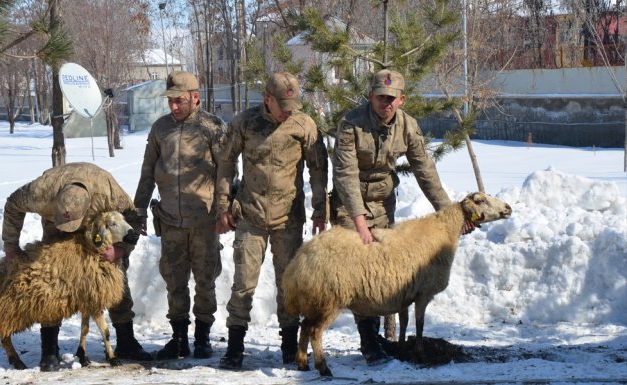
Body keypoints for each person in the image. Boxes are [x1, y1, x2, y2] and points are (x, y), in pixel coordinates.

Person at [331, 69, 473, 363]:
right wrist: (360, 223)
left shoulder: (407, 125)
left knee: (381, 270)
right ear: (370, 96)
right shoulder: (351, 124)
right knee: (359, 270)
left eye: (392, 98)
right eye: (381, 97)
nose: (386, 103)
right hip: (349, 205)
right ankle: (369, 341)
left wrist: (451, 216)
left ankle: (377, 337)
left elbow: (426, 172)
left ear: (402, 99)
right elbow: (345, 176)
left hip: (383, 204)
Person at [215, 72, 328, 369]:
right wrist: (223, 206)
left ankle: (290, 346)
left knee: (288, 285)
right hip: (250, 216)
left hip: (288, 218)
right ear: (267, 99)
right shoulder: (245, 123)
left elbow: (318, 169)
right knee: (243, 284)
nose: (288, 112)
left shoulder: (304, 125)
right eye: (283, 106)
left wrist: (320, 211)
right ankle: (235, 348)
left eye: (293, 106)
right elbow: (226, 163)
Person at [1, 162, 153, 371]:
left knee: (112, 276)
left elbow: (133, 219)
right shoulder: (40, 192)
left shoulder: (108, 192)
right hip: (55, 227)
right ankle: (49, 350)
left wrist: (120, 250)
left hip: (97, 226)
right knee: (52, 280)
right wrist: (10, 246)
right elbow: (12, 205)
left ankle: (126, 341)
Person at [133, 71, 226, 360]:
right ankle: (179, 338)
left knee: (205, 281)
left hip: (204, 222)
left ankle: (202, 338)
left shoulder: (212, 127)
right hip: (171, 220)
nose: (174, 106)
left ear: (195, 97)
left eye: (180, 101)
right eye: (170, 101)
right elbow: (147, 172)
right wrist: (139, 210)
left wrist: (224, 209)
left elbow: (226, 173)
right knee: (174, 281)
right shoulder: (160, 128)